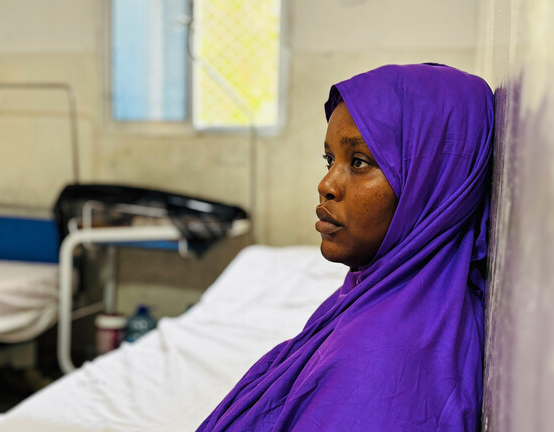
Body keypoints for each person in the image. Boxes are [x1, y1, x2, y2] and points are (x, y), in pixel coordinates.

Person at [197, 63, 493, 431]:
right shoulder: (383, 297)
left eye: (359, 162)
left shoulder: (388, 361)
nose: (326, 185)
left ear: (432, 183)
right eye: (329, 160)